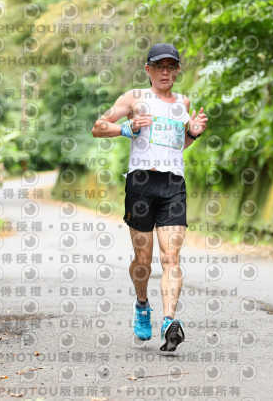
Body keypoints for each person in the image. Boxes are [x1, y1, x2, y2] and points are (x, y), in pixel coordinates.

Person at [91, 43, 208, 351]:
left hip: (173, 184)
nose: (165, 72)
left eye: (171, 67)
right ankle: (142, 304)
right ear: (148, 70)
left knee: (171, 257)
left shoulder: (182, 102)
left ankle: (169, 322)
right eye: (159, 66)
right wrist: (126, 128)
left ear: (178, 70)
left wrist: (193, 133)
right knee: (143, 260)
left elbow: (178, 145)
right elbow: (98, 127)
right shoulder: (134, 97)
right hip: (141, 183)